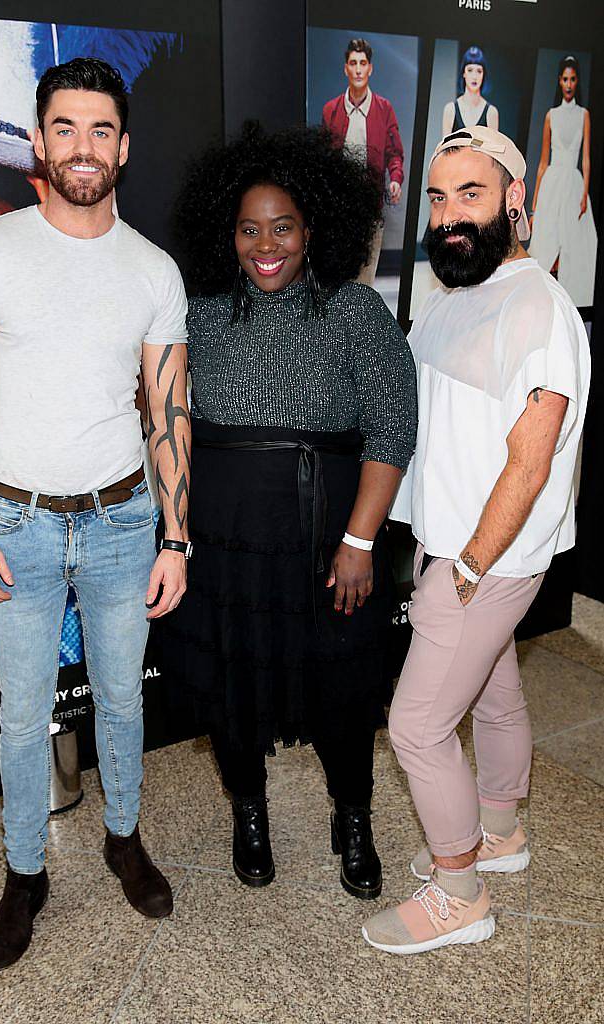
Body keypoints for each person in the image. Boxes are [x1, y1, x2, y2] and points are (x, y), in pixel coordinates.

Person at [0, 57, 191, 970]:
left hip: (124, 525)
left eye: (102, 130)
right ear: (39, 142)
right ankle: (24, 871)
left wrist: (176, 536)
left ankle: (124, 837)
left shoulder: (154, 271)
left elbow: (167, 410)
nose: (84, 147)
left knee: (121, 703)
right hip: (16, 527)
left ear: (126, 146)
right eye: (66, 128)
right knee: (23, 713)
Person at [157, 122, 417, 900]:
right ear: (225, 233)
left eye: (283, 228)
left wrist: (358, 541)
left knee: (341, 689)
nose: (264, 245)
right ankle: (249, 814)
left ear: (313, 229)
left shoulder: (354, 310)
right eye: (248, 229)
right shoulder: (198, 313)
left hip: (325, 540)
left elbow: (392, 429)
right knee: (233, 692)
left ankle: (354, 816)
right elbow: (162, 412)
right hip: (226, 543)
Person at [362, 126, 590, 954]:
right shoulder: (458, 291)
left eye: (470, 194)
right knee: (492, 694)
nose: (448, 214)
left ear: (515, 203)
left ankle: (460, 895)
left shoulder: (537, 309)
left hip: (483, 559)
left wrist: (462, 568)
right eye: (436, 196)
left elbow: (528, 465)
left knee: (418, 725)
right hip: (456, 545)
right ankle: (499, 835)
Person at [322, 38, 404, 285]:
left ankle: (359, 322)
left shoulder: (383, 109)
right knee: (338, 276)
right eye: (353, 63)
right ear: (345, 68)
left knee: (365, 279)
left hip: (371, 205)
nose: (358, 69)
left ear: (371, 68)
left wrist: (396, 179)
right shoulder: (331, 110)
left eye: (363, 63)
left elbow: (394, 153)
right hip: (339, 208)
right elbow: (324, 159)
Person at [529, 54, 598, 307]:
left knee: (574, 247)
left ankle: (569, 305)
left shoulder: (584, 115)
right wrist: (534, 205)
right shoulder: (551, 115)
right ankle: (543, 302)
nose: (569, 84)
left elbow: (586, 158)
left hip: (574, 184)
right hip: (552, 183)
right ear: (559, 81)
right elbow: (543, 162)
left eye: (573, 79)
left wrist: (584, 195)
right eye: (565, 79)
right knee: (546, 243)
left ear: (577, 81)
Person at [441, 46, 499, 136]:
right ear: (464, 73)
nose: (474, 76)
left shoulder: (491, 113)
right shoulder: (450, 110)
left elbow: (491, 148)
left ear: (484, 75)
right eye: (470, 70)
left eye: (479, 71)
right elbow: (445, 147)